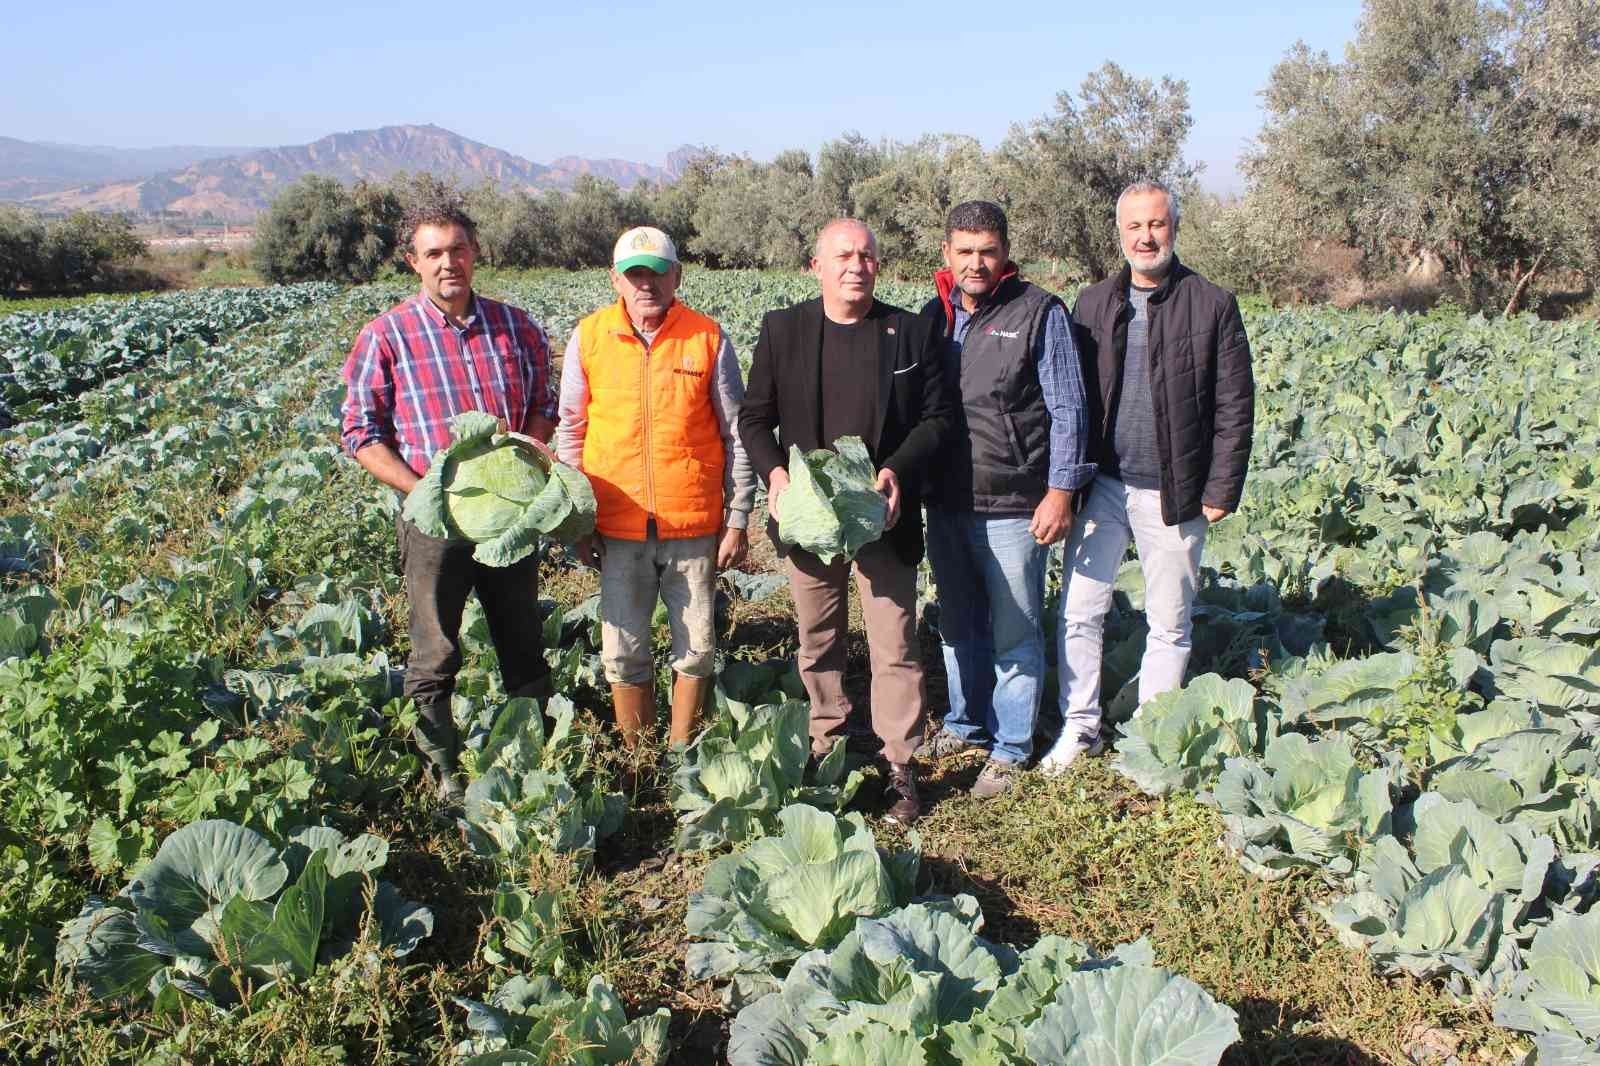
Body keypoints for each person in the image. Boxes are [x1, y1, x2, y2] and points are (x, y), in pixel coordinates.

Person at [341, 193, 557, 803]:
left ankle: (530, 757)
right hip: (433, 527)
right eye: (433, 252)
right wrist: (425, 492)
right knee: (435, 647)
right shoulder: (386, 337)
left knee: (522, 637)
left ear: (475, 253)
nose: (448, 263)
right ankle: (444, 769)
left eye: (457, 249)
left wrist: (527, 457)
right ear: (413, 262)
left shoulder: (516, 326)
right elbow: (360, 432)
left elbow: (543, 406)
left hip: (508, 523)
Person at [739, 219, 954, 823]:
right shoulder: (785, 330)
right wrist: (777, 476)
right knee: (819, 640)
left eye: (866, 255)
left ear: (877, 265)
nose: (855, 264)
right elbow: (754, 419)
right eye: (843, 255)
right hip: (809, 519)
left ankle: (899, 765)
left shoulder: (908, 332)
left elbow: (937, 418)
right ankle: (827, 745)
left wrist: (898, 473)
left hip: (881, 515)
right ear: (817, 265)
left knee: (895, 644)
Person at [1043, 179, 1255, 772]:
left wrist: (1221, 487)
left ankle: (1150, 739)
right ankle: (1080, 728)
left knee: (1169, 622)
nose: (1145, 236)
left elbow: (1236, 404)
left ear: (1174, 228)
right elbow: (1066, 397)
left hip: (1175, 488)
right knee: (1081, 609)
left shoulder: (1211, 304)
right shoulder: (1091, 303)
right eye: (1135, 226)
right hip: (1101, 486)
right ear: (1120, 232)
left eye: (1156, 224)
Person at [918, 202, 1096, 798]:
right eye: (965, 251)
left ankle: (1011, 746)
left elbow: (1069, 408)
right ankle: (965, 723)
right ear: (947, 254)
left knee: (1015, 632)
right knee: (958, 623)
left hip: (1017, 504)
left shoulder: (1039, 312)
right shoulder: (932, 316)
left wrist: (1061, 490)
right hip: (946, 501)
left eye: (987, 251)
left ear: (1004, 254)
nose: (976, 262)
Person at [556, 226, 755, 753]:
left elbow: (736, 432)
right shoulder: (590, 336)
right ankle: (639, 757)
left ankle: (681, 751)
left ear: (677, 276)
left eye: (657, 272)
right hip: (617, 525)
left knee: (696, 647)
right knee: (623, 650)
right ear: (617, 279)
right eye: (635, 273)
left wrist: (737, 518)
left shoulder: (707, 337)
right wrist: (577, 520)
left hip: (692, 523)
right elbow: (571, 431)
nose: (647, 283)